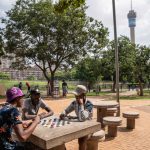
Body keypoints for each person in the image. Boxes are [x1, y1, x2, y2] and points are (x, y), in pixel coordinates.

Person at [60, 85, 93, 150]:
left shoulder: (89, 104)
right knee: (61, 137)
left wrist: (81, 105)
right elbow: (66, 110)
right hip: (78, 126)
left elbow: (82, 119)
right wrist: (63, 113)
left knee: (82, 140)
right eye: (76, 95)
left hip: (88, 127)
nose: (76, 97)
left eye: (78, 95)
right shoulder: (74, 103)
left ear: (83, 95)